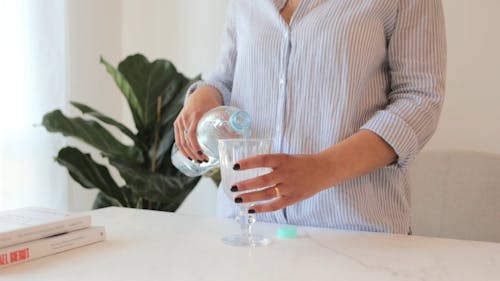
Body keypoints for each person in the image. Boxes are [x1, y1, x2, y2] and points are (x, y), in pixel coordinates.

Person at [174, 0, 446, 234]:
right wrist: (205, 95)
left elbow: (420, 99)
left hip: (355, 234)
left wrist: (324, 168)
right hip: (246, 229)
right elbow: (226, 79)